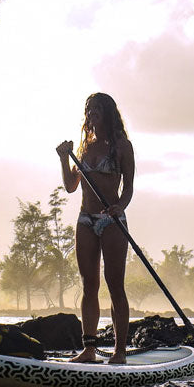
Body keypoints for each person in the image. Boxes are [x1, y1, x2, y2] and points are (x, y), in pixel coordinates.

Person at [56, 92, 135, 364]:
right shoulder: (84, 148)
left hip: (112, 222)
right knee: (89, 285)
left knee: (115, 286)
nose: (92, 114)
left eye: (97, 110)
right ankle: (89, 350)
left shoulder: (123, 146)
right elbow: (70, 186)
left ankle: (119, 352)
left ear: (109, 113)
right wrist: (64, 158)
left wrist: (120, 207)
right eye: (89, 110)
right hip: (85, 220)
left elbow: (128, 189)